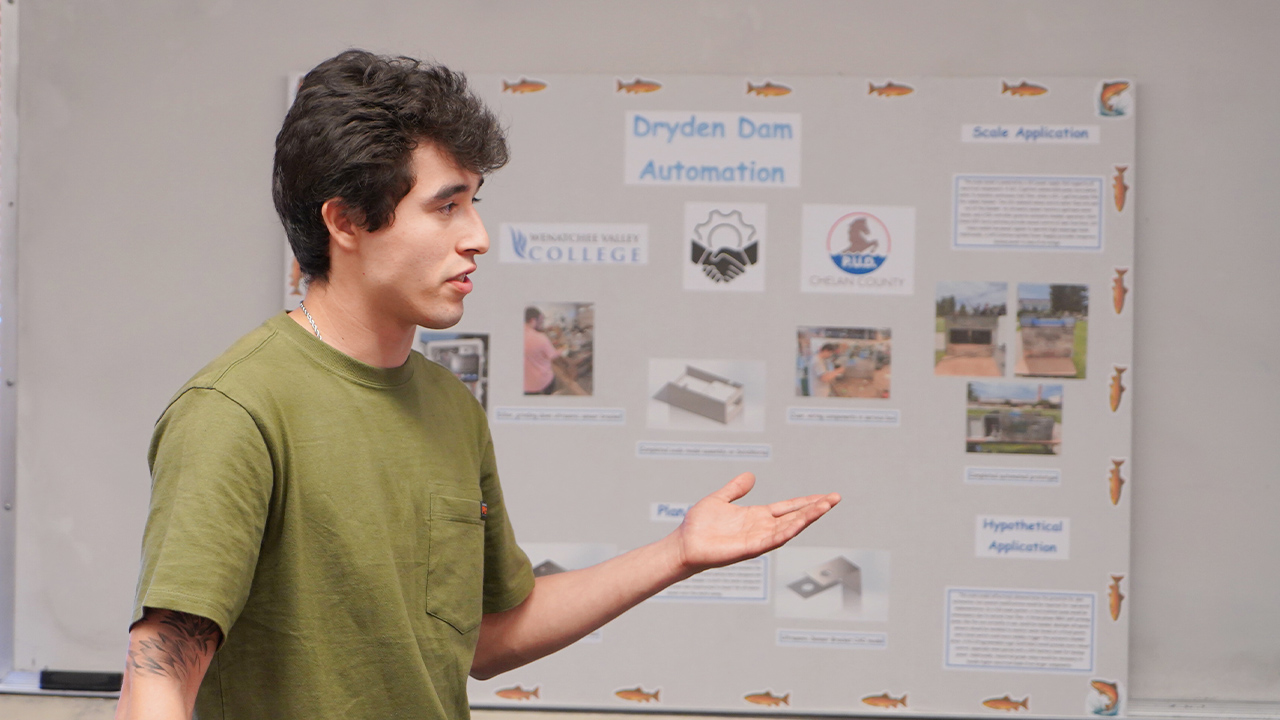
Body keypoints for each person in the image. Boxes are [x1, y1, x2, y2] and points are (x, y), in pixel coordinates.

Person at [116, 49, 839, 720]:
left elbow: (489, 635)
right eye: (446, 205)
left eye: (475, 202)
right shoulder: (236, 410)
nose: (478, 237)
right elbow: (161, 666)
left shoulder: (450, 406)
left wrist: (677, 554)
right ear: (346, 221)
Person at [522, 306, 559, 394]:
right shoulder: (540, 338)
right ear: (533, 320)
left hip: (524, 386)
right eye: (540, 321)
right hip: (541, 382)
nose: (541, 324)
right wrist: (563, 349)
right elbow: (552, 355)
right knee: (552, 380)